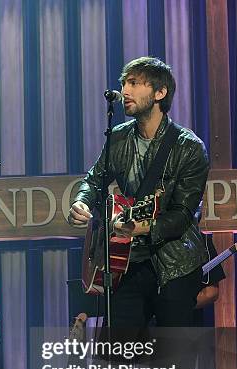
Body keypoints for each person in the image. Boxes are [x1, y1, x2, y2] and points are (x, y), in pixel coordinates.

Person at [69, 57, 209, 329]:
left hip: (175, 264)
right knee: (117, 356)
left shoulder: (189, 147)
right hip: (127, 261)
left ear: (160, 93)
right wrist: (81, 202)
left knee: (173, 362)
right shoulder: (119, 137)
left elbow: (183, 214)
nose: (125, 90)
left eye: (133, 83)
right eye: (124, 83)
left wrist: (143, 227)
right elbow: (94, 179)